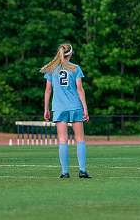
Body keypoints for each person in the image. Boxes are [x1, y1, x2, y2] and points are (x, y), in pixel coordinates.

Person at [41, 44, 91, 178]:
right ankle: (82, 170)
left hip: (59, 107)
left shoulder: (52, 69)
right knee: (80, 139)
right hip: (75, 106)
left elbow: (48, 90)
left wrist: (46, 108)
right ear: (71, 54)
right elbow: (80, 89)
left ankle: (64, 172)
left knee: (63, 140)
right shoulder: (75, 68)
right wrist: (85, 108)